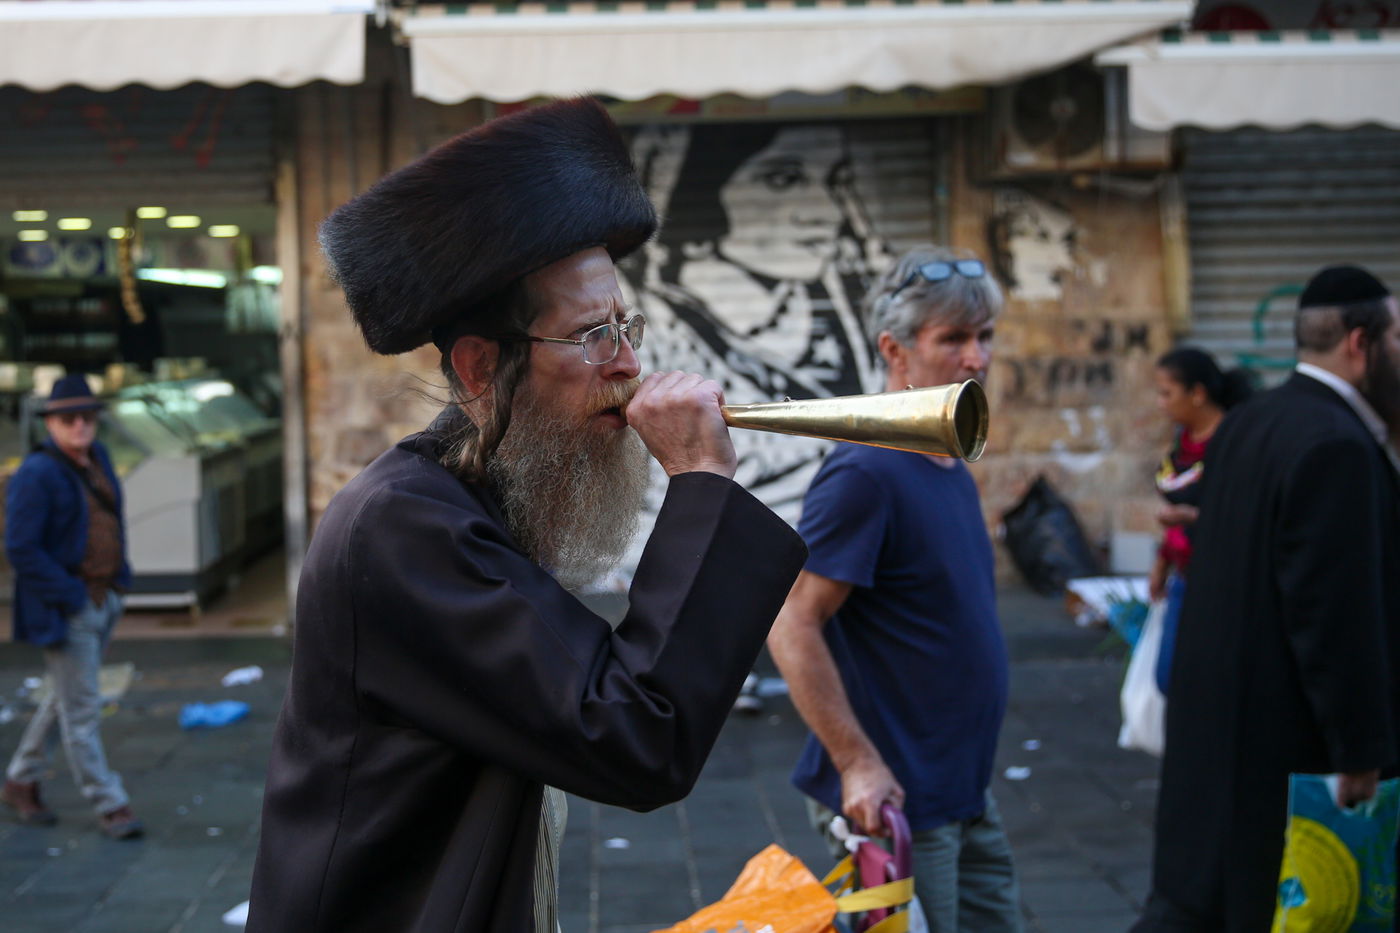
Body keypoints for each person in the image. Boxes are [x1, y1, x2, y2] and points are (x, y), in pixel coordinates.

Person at [245, 98, 807, 933]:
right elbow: (635, 733)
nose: (627, 366)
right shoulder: (399, 531)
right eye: (591, 336)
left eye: (626, 326)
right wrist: (699, 485)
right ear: (480, 368)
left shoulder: (474, 494)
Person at [1133, 265, 1400, 932]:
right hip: (1290, 746)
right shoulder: (1337, 444)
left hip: (1221, 727)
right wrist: (1359, 748)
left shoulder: (1254, 420)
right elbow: (1334, 613)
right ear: (1362, 342)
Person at [768, 246, 1021, 932]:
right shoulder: (865, 473)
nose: (977, 359)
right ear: (894, 349)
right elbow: (791, 623)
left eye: (985, 337)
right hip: (897, 803)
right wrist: (857, 763)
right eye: (955, 340)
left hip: (962, 790)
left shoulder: (946, 457)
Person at [2, 373, 142, 840]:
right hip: (71, 608)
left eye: (87, 417)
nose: (80, 426)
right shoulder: (37, 473)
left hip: (105, 597)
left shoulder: (97, 458)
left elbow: (111, 518)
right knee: (82, 711)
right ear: (51, 423)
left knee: (68, 698)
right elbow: (20, 547)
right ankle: (110, 802)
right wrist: (71, 595)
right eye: (69, 419)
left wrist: (119, 582)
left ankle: (21, 778)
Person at [1146, 347, 1252, 692]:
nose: (1160, 403)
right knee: (1170, 678)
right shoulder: (1184, 442)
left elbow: (1248, 511)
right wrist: (1163, 563)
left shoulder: (1236, 443)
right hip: (1185, 575)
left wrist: (1195, 518)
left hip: (1225, 582)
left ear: (1197, 394)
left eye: (1167, 393)